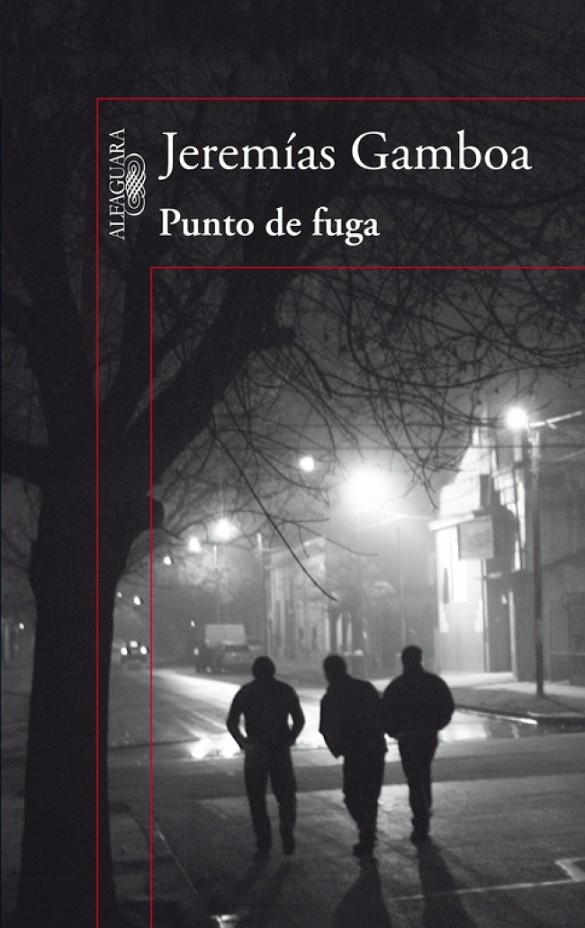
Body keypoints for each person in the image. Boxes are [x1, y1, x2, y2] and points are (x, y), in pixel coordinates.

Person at [226, 656, 305, 859]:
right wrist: (290, 738)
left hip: (256, 749)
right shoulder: (285, 690)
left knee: (257, 798)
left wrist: (243, 742)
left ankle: (263, 844)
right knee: (286, 794)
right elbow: (299, 720)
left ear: (254, 672)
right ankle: (287, 827)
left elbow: (232, 722)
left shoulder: (246, 692)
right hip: (280, 748)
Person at [382, 645, 454, 845]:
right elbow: (447, 707)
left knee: (414, 779)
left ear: (403, 661)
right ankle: (424, 810)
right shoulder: (434, 682)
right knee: (424, 772)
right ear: (420, 659)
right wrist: (436, 726)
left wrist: (395, 732)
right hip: (428, 735)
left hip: (407, 737)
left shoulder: (397, 686)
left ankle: (420, 818)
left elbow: (385, 712)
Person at [319, 654, 387, 860]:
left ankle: (366, 831)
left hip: (354, 752)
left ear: (327, 673)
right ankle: (368, 835)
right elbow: (382, 714)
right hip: (374, 748)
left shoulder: (331, 697)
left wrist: (337, 748)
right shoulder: (365, 688)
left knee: (352, 795)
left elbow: (326, 728)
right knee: (371, 796)